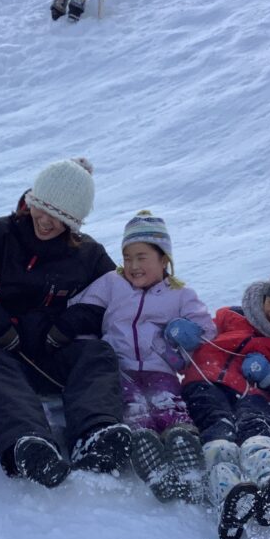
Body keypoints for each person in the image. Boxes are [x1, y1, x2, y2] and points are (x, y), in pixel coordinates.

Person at [0, 157, 131, 488]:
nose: (47, 221)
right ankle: (30, 444)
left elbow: (113, 299)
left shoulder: (89, 254)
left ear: (74, 222)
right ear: (32, 200)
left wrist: (68, 325)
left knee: (97, 353)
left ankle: (95, 434)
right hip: (4, 350)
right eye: (43, 208)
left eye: (61, 217)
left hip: (55, 352)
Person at [68, 210, 215, 502]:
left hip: (160, 367)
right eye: (127, 258)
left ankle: (182, 443)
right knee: (131, 403)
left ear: (164, 259)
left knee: (166, 399)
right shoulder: (113, 282)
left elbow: (207, 330)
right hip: (118, 365)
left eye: (141, 257)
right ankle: (146, 449)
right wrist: (86, 340)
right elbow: (78, 306)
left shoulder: (180, 293)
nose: (133, 266)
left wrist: (184, 333)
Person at [179, 250, 270, 539]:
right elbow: (201, 334)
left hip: (256, 396)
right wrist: (185, 337)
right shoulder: (231, 316)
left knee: (256, 425)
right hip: (205, 384)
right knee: (217, 428)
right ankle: (229, 493)